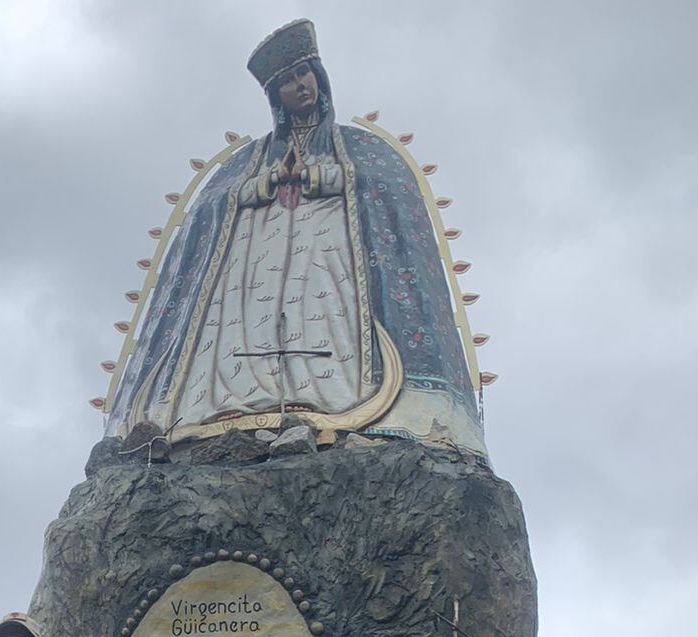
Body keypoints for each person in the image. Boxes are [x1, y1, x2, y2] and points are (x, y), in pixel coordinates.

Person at [104, 18, 485, 455]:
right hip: (257, 261)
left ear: (319, 77)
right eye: (288, 81)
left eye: (305, 73)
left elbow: (385, 189)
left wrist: (321, 177)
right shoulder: (247, 159)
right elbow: (210, 208)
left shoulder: (361, 147)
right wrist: (260, 186)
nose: (301, 86)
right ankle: (235, 408)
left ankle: (326, 404)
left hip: (329, 250)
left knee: (322, 313)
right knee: (250, 321)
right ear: (276, 96)